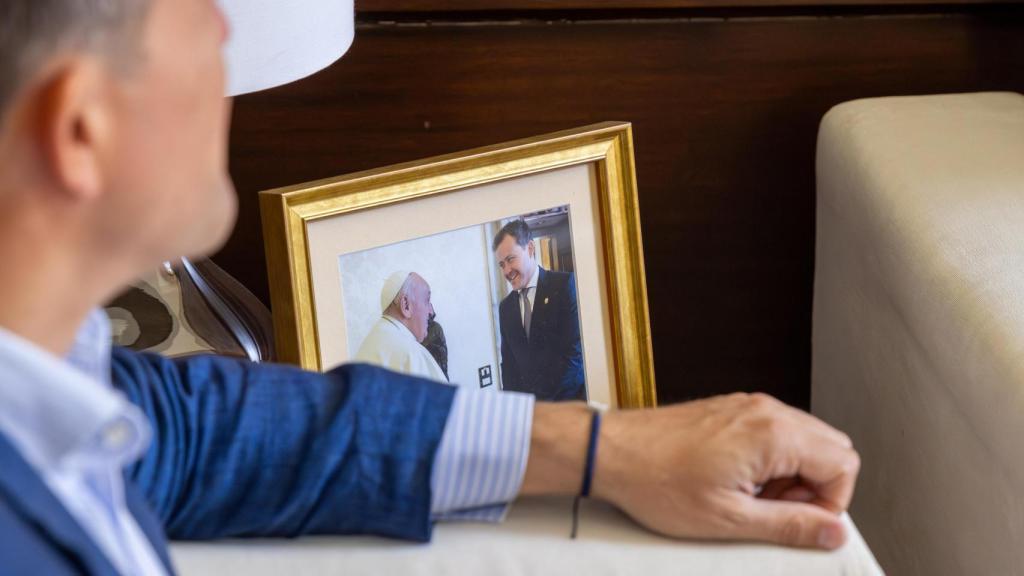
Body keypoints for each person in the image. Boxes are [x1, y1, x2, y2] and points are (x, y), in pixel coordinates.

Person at [0, 1, 860, 574]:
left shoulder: (56, 374)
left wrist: (610, 451)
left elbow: (207, 428)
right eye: (195, 12)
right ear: (81, 129)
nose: (225, 29)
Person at [494, 220, 586, 401]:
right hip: (530, 416)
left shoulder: (565, 285)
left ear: (530, 248)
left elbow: (573, 357)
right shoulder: (506, 308)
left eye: (511, 259)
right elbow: (509, 367)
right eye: (501, 264)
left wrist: (540, 407)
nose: (507, 271)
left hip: (567, 406)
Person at [354, 271, 447, 381]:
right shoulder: (410, 353)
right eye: (427, 300)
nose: (431, 311)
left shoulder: (370, 342)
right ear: (406, 305)